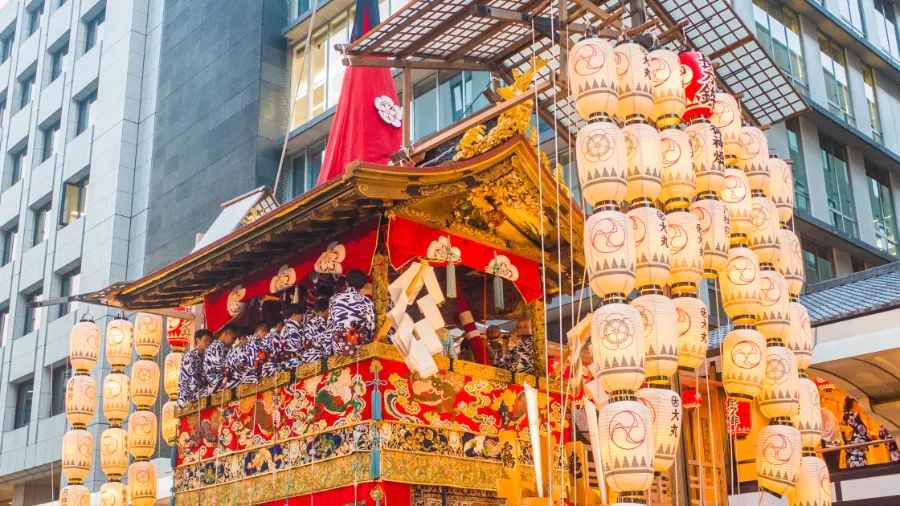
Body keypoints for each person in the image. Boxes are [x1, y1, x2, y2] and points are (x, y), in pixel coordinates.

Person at [329, 269, 375, 356]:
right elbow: (370, 327)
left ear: (346, 282)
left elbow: (330, 324)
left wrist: (327, 351)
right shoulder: (367, 301)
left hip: (338, 344)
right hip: (359, 344)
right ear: (362, 286)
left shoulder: (335, 298)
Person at [177, 329, 213, 408]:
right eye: (206, 340)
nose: (208, 343)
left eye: (210, 341)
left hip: (201, 392)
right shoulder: (189, 357)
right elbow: (193, 382)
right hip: (188, 397)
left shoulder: (208, 357)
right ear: (198, 340)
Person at [204, 324, 238, 396]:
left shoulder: (224, 347)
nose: (234, 342)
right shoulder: (216, 346)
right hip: (216, 383)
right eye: (233, 338)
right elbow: (220, 368)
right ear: (226, 334)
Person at [300, 298, 331, 363]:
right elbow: (325, 343)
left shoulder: (310, 322)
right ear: (327, 310)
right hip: (317, 357)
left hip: (307, 357)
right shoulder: (321, 322)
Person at [842, 396, 870, 468]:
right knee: (860, 464)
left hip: (849, 444)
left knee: (851, 463)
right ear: (854, 402)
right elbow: (861, 429)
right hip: (856, 444)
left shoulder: (844, 415)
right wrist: (868, 437)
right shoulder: (854, 414)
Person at [279, 304, 306, 371]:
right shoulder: (292, 328)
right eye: (300, 314)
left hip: (286, 363)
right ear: (294, 314)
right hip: (294, 362)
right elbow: (297, 347)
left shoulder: (285, 327)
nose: (302, 316)